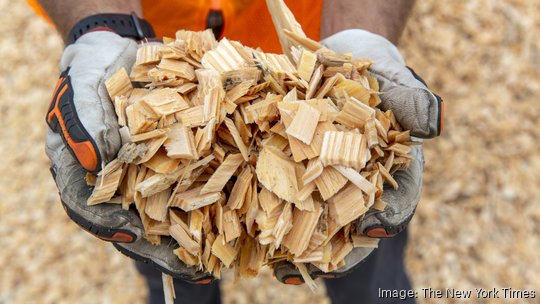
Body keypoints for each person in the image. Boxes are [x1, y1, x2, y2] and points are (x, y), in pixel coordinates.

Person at [32, 0, 443, 303]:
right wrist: (101, 26)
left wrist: (360, 36)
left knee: (362, 245)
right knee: (165, 243)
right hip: (155, 62)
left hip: (311, 54)